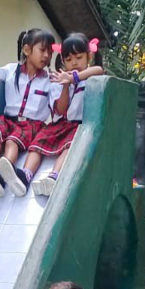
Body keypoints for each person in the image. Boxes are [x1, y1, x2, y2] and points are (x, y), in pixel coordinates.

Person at [0, 28, 55, 198]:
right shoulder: (11, 70)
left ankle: (7, 172)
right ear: (27, 50)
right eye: (42, 50)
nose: (46, 56)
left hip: (31, 124)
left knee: (12, 142)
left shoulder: (49, 80)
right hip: (8, 120)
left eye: (50, 52)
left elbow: (58, 102)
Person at [27, 34, 105, 196]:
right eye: (69, 60)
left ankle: (54, 176)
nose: (74, 63)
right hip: (62, 123)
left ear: (89, 56)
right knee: (38, 143)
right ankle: (26, 174)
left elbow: (99, 69)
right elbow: (62, 110)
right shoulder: (59, 81)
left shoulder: (91, 76)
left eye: (79, 57)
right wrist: (65, 85)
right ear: (63, 61)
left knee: (70, 146)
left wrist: (73, 77)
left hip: (79, 125)